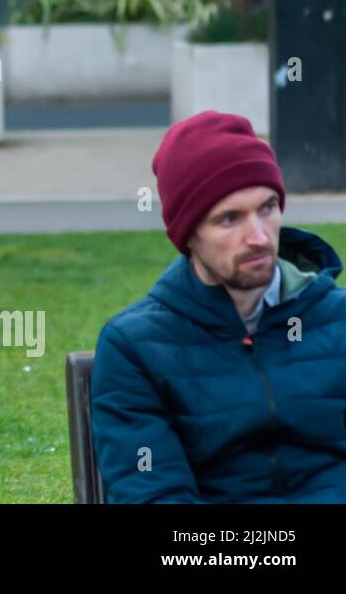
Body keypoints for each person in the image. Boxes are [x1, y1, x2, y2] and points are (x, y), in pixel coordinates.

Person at [91, 111, 346, 502]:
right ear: (189, 234)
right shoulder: (135, 348)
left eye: (268, 207)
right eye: (229, 219)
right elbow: (152, 493)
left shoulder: (335, 318)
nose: (259, 237)